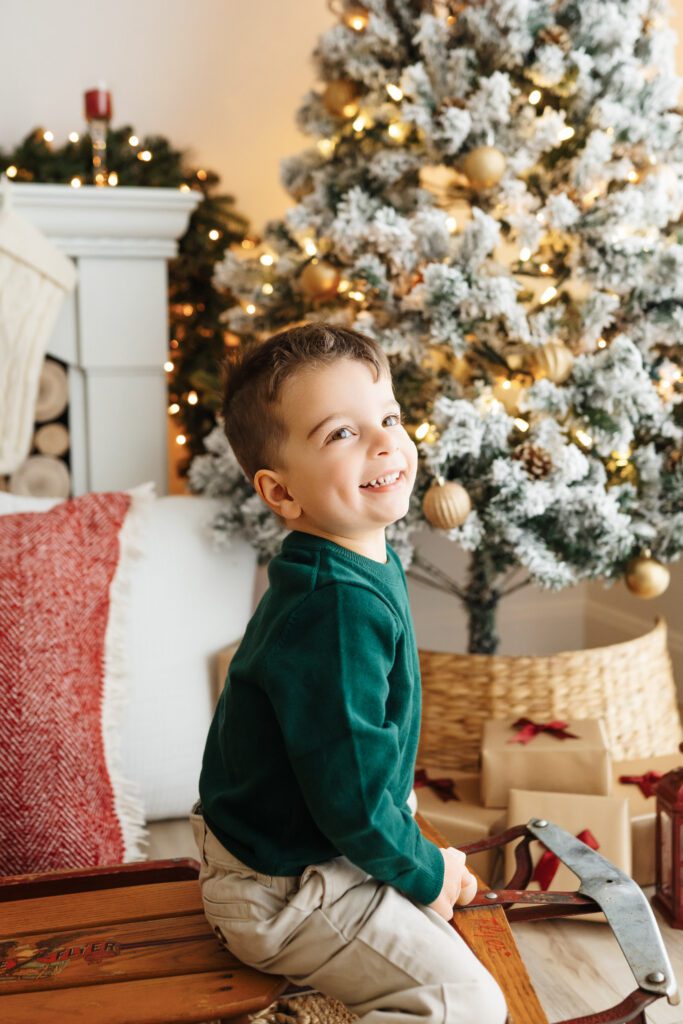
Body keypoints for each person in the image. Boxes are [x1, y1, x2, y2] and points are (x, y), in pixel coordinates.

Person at [190, 322, 507, 1024]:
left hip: (318, 845)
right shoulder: (332, 610)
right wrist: (424, 873)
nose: (384, 441)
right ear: (281, 494)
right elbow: (353, 801)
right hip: (283, 888)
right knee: (466, 1003)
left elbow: (359, 766)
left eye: (388, 417)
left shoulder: (361, 555)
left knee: (455, 929)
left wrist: (416, 859)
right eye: (340, 434)